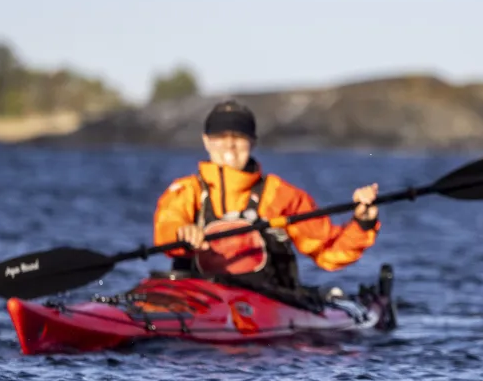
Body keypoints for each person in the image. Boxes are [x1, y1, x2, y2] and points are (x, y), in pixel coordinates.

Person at [153, 100, 381, 290]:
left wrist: (363, 222)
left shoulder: (280, 195)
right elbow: (167, 226)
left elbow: (328, 252)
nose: (230, 145)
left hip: (268, 305)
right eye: (221, 136)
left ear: (252, 142)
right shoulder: (186, 191)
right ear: (206, 141)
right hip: (199, 299)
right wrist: (182, 232)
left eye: (239, 136)